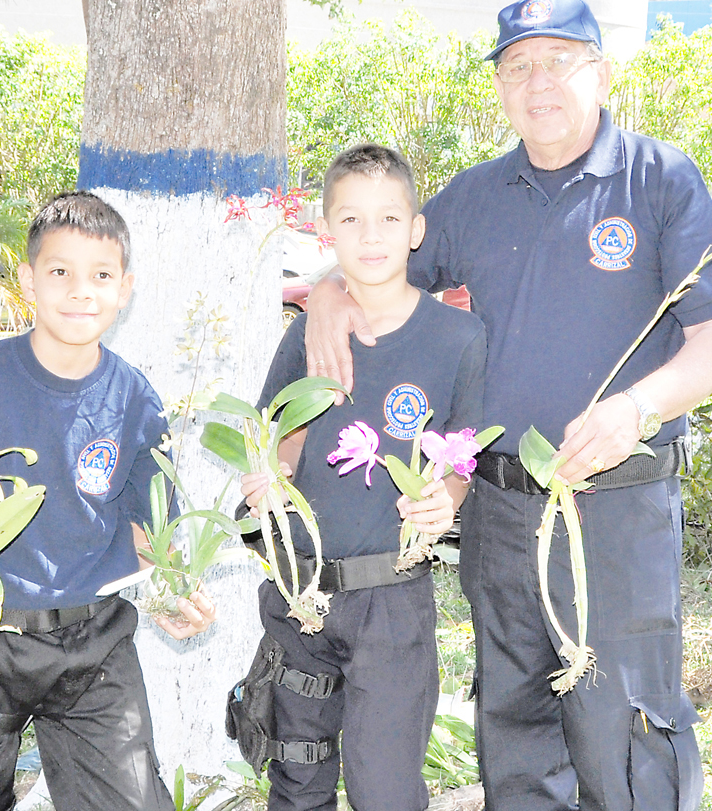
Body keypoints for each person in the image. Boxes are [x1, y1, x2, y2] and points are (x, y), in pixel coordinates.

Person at [303, 3, 712, 810]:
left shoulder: (660, 179)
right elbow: (379, 267)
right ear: (500, 88)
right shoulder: (474, 197)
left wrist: (633, 409)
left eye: (559, 59)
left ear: (602, 72)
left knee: (627, 727)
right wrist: (330, 296)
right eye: (517, 67)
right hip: (502, 514)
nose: (537, 82)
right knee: (514, 724)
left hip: (619, 508)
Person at [0, 191, 217, 811]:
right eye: (60, 273)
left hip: (92, 644)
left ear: (125, 287)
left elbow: (146, 527)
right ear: (28, 280)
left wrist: (170, 591)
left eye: (101, 276)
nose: (81, 292)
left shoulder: (134, 402)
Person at [240, 144, 486, 811]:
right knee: (296, 775)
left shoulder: (459, 338)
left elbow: (464, 450)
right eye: (350, 220)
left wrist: (446, 502)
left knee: (386, 787)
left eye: (386, 219)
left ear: (415, 230)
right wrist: (263, 478)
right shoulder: (306, 337)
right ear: (327, 230)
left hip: (392, 604)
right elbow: (275, 440)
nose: (369, 236)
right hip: (301, 594)